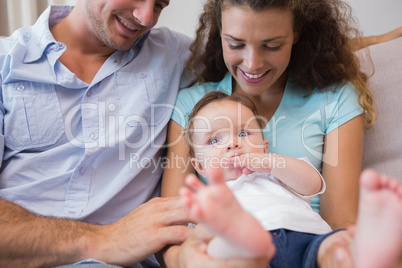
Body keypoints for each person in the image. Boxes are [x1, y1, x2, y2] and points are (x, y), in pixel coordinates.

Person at [0, 1, 269, 267]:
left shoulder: (176, 55)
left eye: (160, 5)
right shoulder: (6, 63)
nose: (146, 18)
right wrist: (103, 239)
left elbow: (257, 56)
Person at [179, 91, 402, 268]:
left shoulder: (277, 172)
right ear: (200, 167)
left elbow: (312, 184)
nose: (232, 144)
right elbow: (194, 245)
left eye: (244, 134)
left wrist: (271, 163)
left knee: (336, 245)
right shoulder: (207, 199)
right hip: (248, 251)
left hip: (307, 236)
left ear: (265, 147)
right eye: (214, 140)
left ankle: (366, 252)